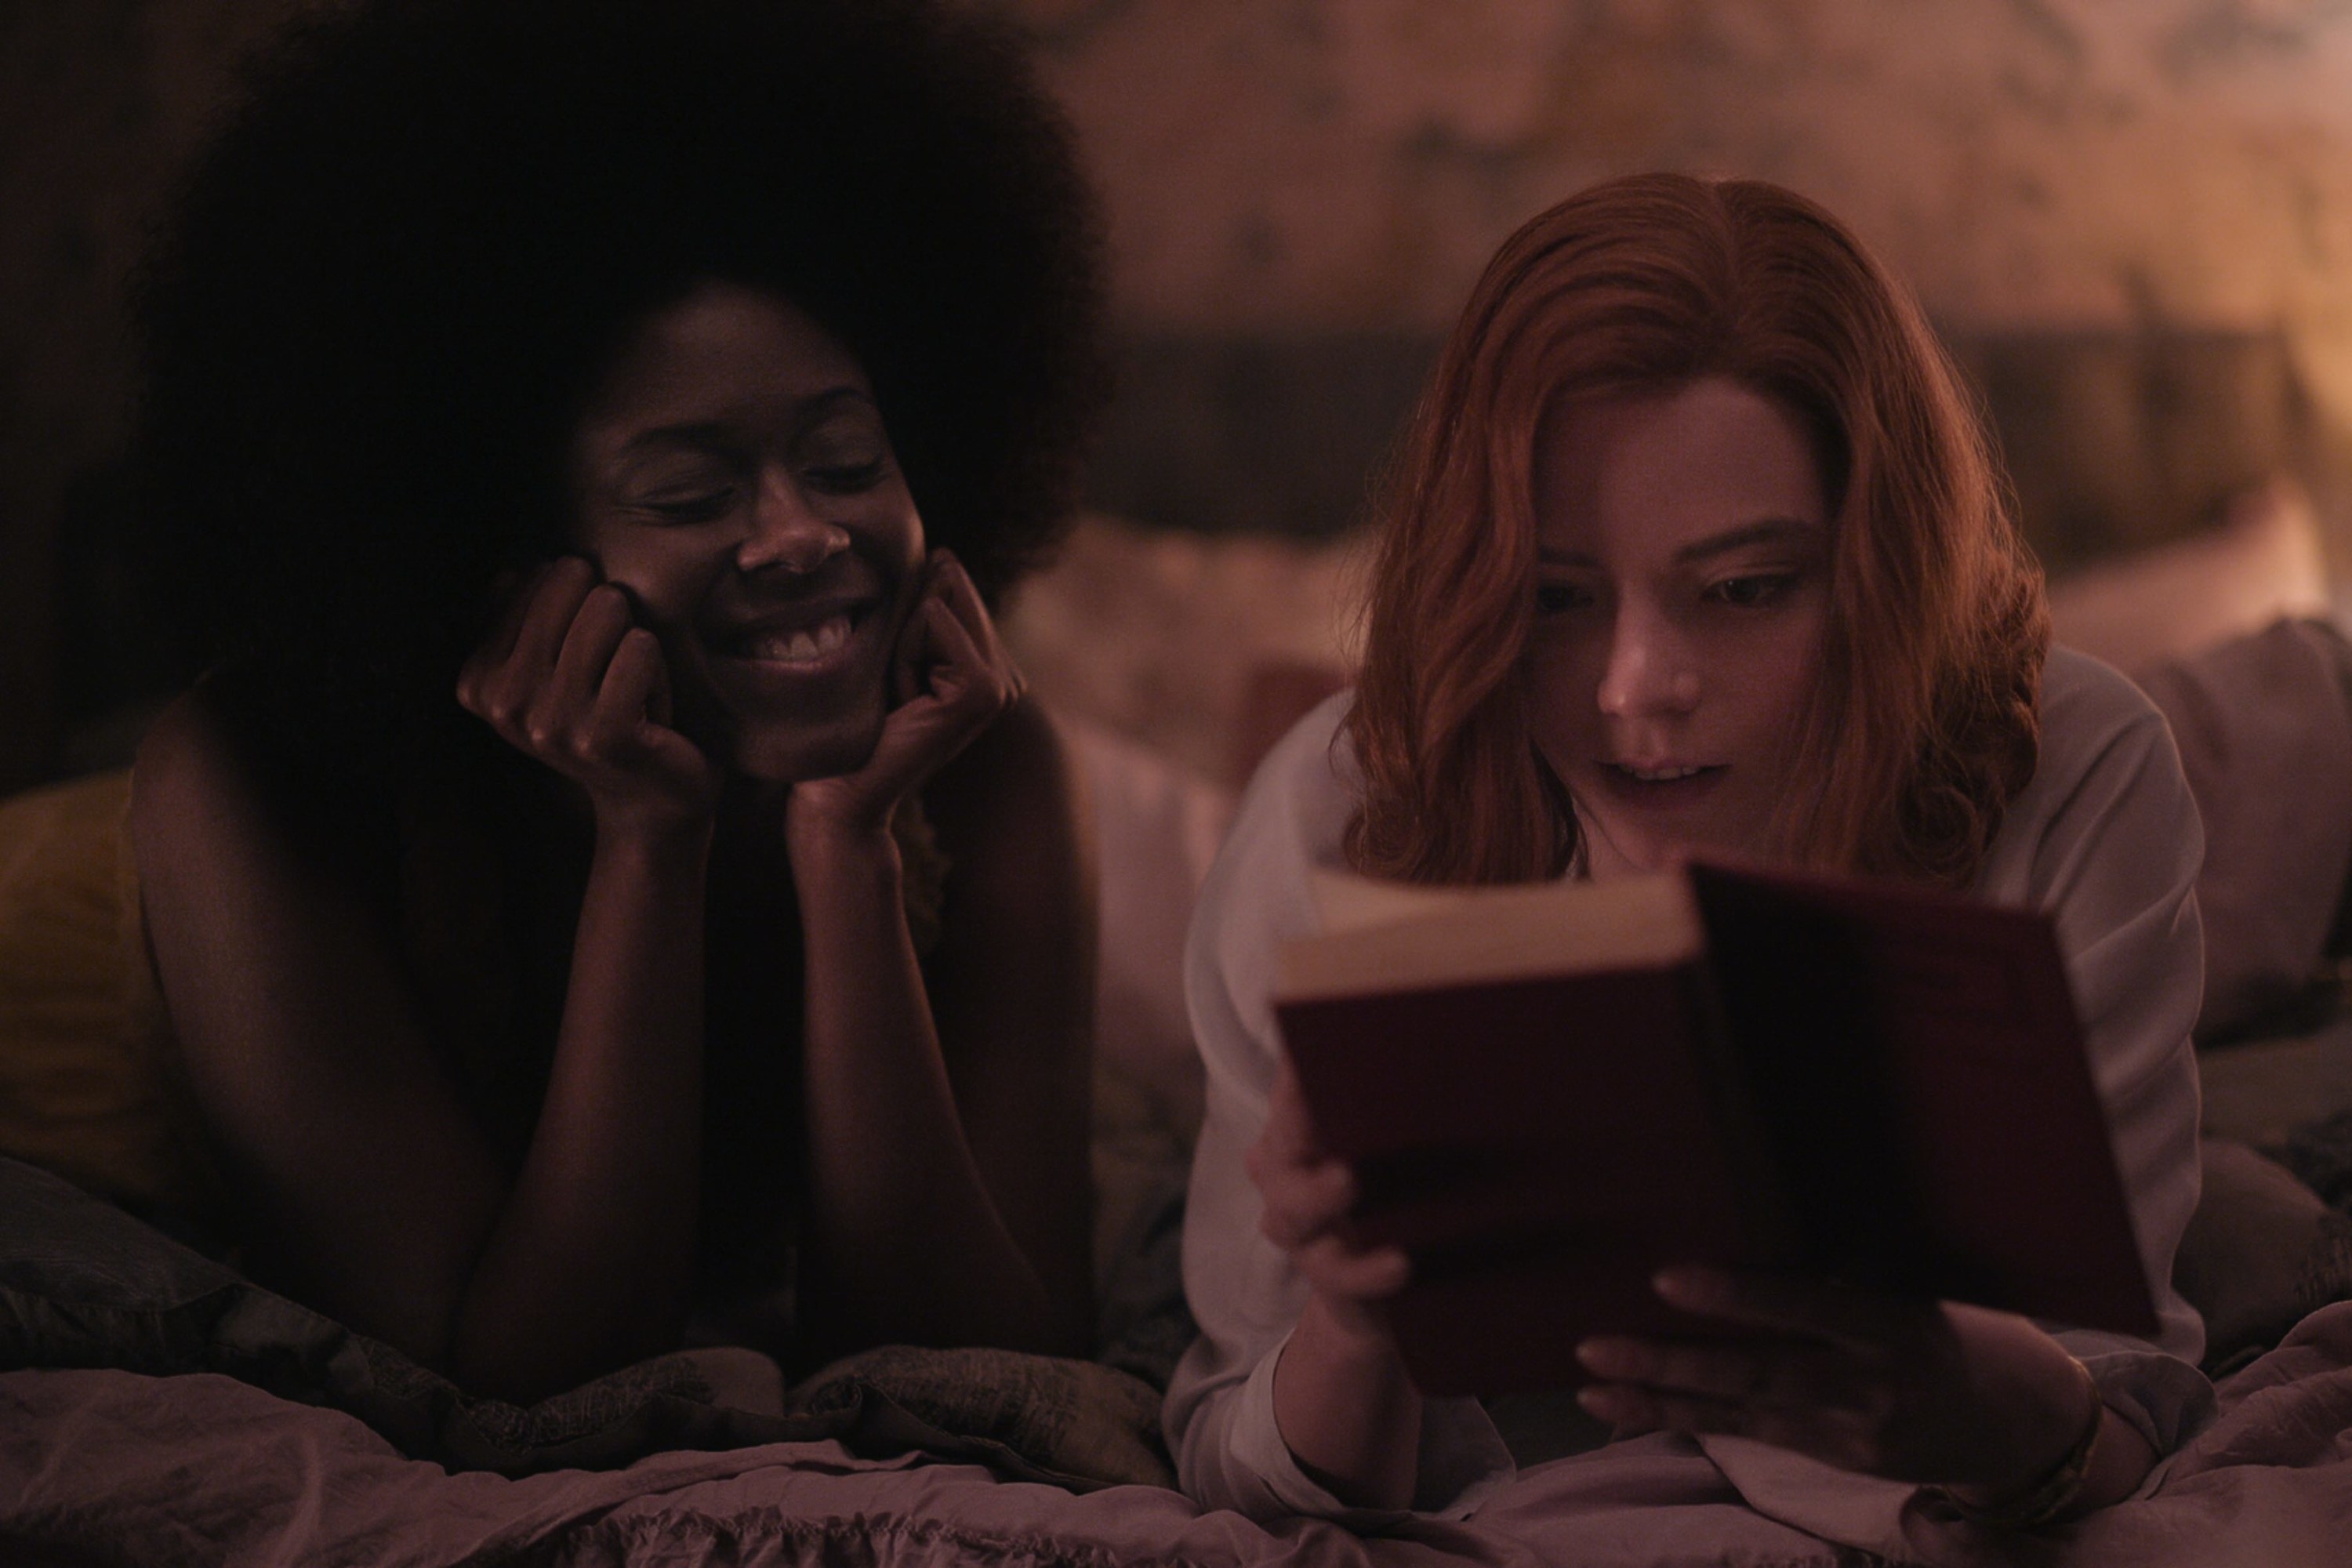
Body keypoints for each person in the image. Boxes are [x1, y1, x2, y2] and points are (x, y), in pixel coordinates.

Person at [1165, 174, 2209, 1530]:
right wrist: (1356, 1330)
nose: (1635, 689)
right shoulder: (1334, 810)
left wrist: (1978, 1402)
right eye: (1554, 601)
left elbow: (2117, 1404)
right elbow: (1226, 1447)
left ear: (1884, 573)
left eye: (1744, 591)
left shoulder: (2076, 768)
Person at [123, 0, 1105, 1402]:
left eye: (843, 460)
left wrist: (846, 845)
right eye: (691, 496)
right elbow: (526, 1388)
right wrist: (650, 845)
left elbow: (976, 1376)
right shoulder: (246, 791)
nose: (803, 536)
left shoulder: (987, 768)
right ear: (491, 558)